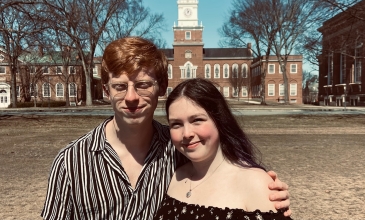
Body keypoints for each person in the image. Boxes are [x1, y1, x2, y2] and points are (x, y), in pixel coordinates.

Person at [41, 37, 291, 220]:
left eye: (142, 84)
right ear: (106, 90)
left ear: (161, 86)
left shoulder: (179, 152)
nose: (131, 97)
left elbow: (225, 176)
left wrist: (261, 191)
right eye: (119, 86)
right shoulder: (70, 162)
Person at [153, 78, 293, 220]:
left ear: (219, 120)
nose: (187, 133)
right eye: (176, 124)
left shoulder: (255, 183)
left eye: (197, 120)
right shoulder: (174, 176)